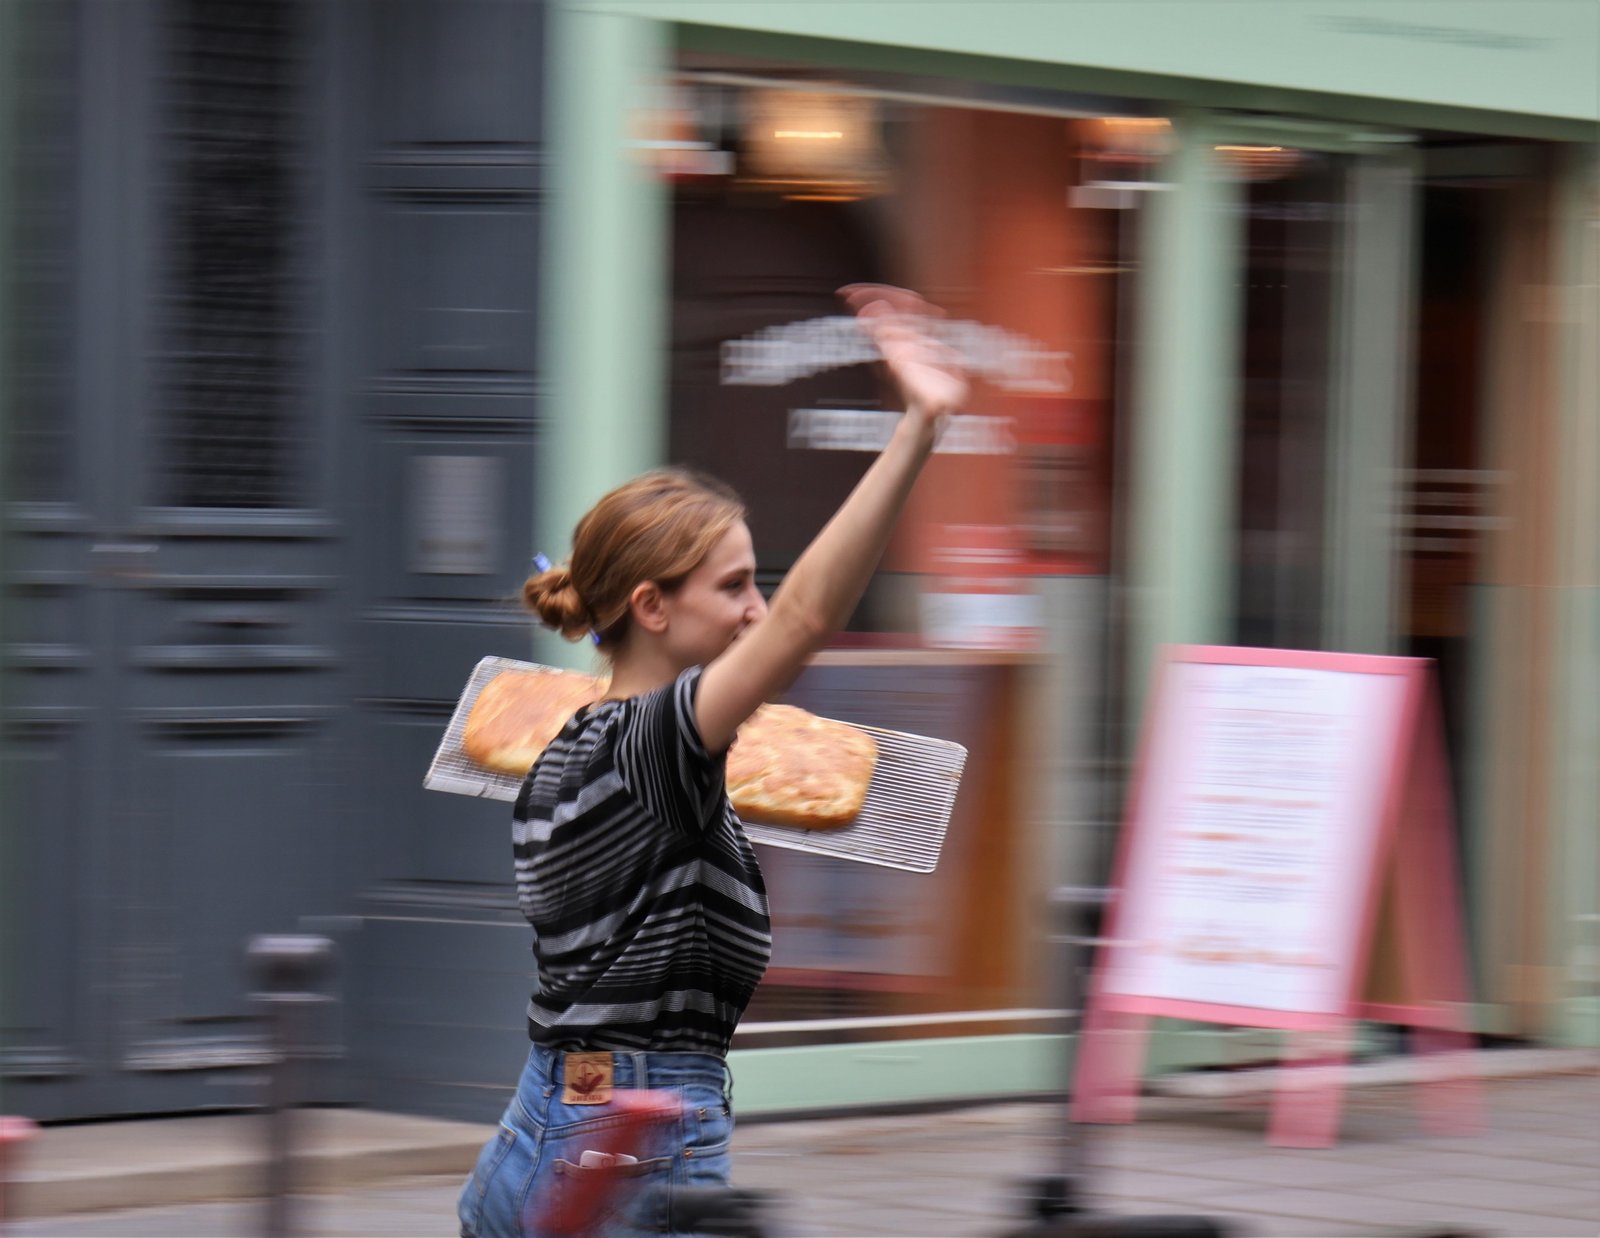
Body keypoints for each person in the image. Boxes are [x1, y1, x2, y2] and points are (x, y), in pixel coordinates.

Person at [456, 285, 968, 1238]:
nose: (756, 610)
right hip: (627, 1146)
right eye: (734, 586)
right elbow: (811, 618)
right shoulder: (649, 748)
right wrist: (921, 424)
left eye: (756, 583)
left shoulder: (585, 746)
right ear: (652, 607)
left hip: (553, 1132)